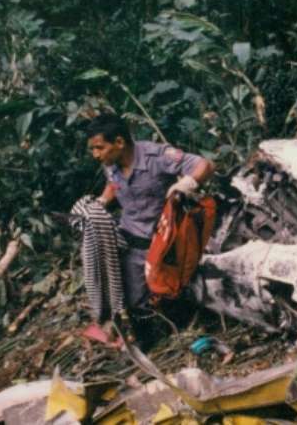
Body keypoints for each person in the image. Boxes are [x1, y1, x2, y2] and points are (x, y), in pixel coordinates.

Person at [85, 114, 214, 339]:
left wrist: (187, 183)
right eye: (93, 149)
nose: (95, 155)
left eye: (99, 148)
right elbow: (114, 183)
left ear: (119, 142)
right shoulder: (111, 163)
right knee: (135, 301)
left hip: (163, 243)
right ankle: (150, 340)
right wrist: (102, 201)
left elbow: (204, 165)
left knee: (174, 293)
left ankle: (184, 331)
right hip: (131, 241)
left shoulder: (156, 156)